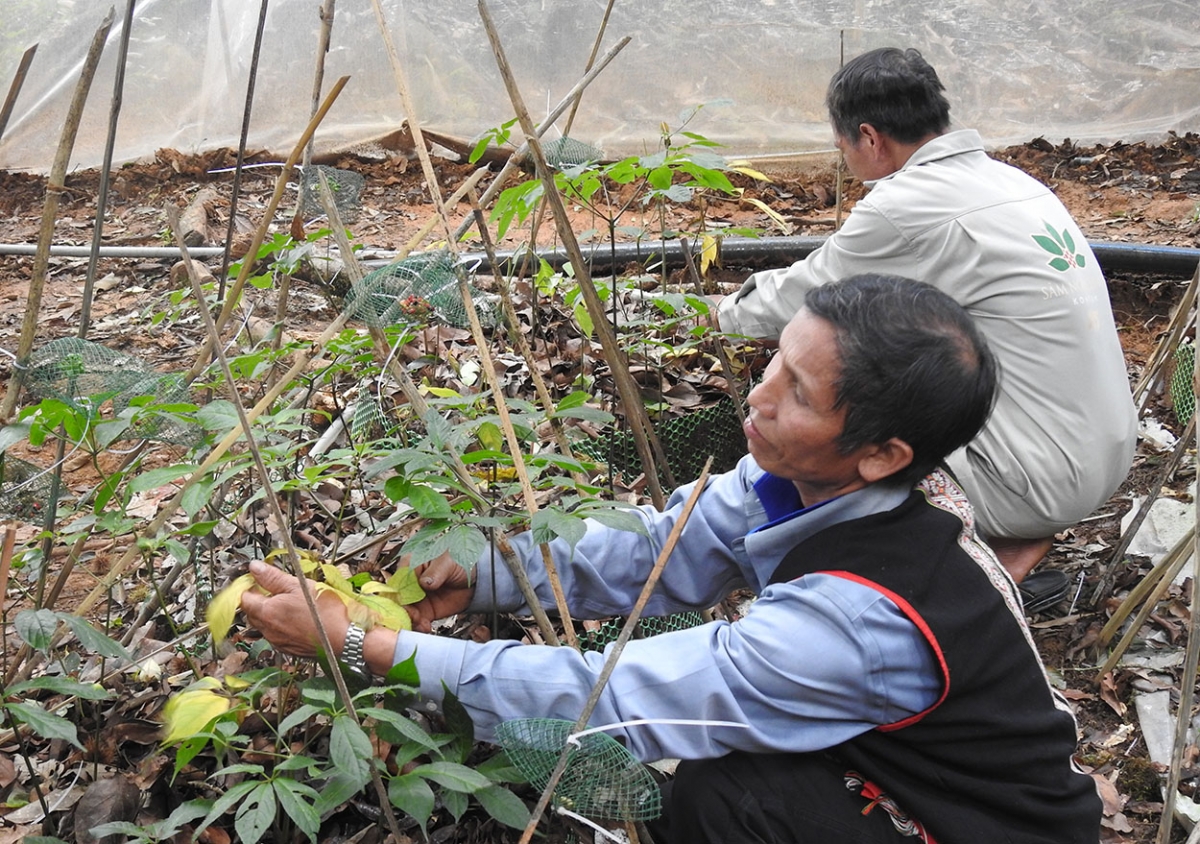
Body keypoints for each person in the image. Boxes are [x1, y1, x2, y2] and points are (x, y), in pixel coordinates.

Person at [242, 274, 1101, 844]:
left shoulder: (860, 620)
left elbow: (613, 696)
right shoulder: (807, 483)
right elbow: (663, 545)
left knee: (729, 800)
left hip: (991, 828)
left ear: (882, 453)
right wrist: (492, 574)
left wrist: (367, 647)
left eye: (798, 393)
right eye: (775, 362)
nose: (757, 399)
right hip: (905, 769)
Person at [716, 47, 1137, 593]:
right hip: (1102, 456)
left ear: (869, 138)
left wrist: (718, 313)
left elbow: (806, 296)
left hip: (1036, 479)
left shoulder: (907, 204)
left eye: (842, 144)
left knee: (841, 429)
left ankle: (935, 580)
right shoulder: (1015, 183)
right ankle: (1010, 542)